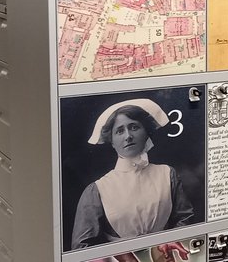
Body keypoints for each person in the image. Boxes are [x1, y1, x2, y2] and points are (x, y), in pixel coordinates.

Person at [71, 99, 196, 250]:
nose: (128, 136)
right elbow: (82, 247)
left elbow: (185, 219)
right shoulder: (98, 190)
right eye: (120, 131)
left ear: (146, 133)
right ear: (112, 141)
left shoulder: (167, 174)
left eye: (134, 127)